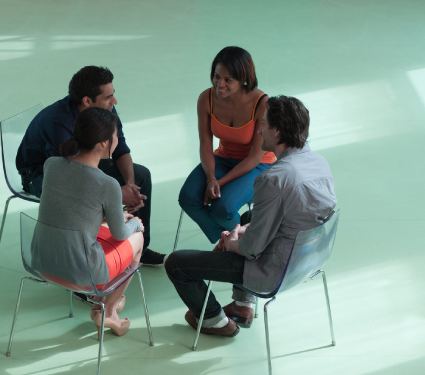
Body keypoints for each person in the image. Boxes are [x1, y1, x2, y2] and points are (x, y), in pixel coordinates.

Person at [165, 96, 337, 337]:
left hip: (275, 271)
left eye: (264, 125)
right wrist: (241, 230)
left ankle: (215, 321)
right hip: (310, 259)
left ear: (277, 132)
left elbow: (251, 250)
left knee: (176, 264)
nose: (259, 129)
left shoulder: (272, 179)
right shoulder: (320, 162)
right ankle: (243, 305)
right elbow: (292, 219)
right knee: (248, 218)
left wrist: (230, 241)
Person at [17, 65, 166, 266]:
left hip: (82, 163)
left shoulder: (105, 111)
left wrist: (130, 186)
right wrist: (116, 194)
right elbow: (68, 178)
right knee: (82, 198)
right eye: (108, 97)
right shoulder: (57, 122)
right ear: (87, 101)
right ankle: (79, 263)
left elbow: (120, 149)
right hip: (43, 173)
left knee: (141, 175)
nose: (114, 101)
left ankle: (139, 247)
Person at [34, 107, 145, 336]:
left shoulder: (51, 165)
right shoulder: (107, 184)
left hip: (42, 262)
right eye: (115, 135)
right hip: (82, 274)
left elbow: (73, 211)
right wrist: (135, 224)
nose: (117, 139)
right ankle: (108, 310)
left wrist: (110, 217)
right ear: (104, 143)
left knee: (104, 228)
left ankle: (103, 302)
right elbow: (121, 234)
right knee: (138, 239)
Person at [177, 46, 276, 245]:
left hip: (258, 165)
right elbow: (205, 145)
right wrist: (211, 177)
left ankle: (244, 246)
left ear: (243, 79)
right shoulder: (206, 98)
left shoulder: (262, 103)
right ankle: (228, 242)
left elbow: (255, 156)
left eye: (228, 80)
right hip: (222, 158)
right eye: (216, 76)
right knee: (188, 198)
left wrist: (218, 183)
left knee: (224, 208)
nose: (219, 84)